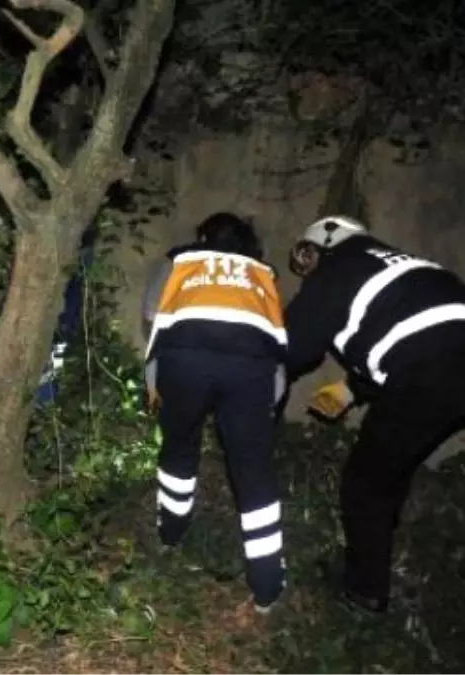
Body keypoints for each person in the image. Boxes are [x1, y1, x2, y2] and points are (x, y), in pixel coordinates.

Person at [283, 215, 465, 614]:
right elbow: (414, 334)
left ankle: (364, 590)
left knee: (364, 482)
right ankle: (378, 545)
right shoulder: (404, 265)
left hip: (433, 374)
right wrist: (352, 389)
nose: (308, 269)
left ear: (328, 243)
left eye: (309, 255)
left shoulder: (342, 264)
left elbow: (293, 347)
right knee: (391, 465)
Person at [141, 212, 289, 614]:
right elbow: (275, 335)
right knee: (254, 469)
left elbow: (153, 314)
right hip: (251, 366)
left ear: (202, 236)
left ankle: (170, 535)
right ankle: (266, 586)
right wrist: (271, 401)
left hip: (185, 358)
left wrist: (154, 378)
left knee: (178, 448)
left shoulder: (181, 260)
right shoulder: (263, 272)